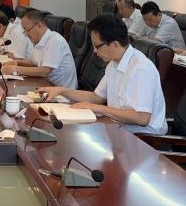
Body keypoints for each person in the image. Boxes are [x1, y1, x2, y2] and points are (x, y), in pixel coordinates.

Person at [38, 13, 167, 135]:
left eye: (97, 46)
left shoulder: (140, 68)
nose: (94, 51)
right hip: (118, 128)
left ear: (115, 44)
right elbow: (97, 97)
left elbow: (141, 118)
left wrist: (98, 108)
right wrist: (61, 90)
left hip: (143, 138)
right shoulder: (113, 63)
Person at [1, 9, 76, 87]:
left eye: (27, 30)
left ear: (39, 25)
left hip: (62, 91)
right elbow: (34, 62)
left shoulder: (55, 41)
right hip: (45, 85)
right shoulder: (39, 41)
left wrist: (15, 69)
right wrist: (17, 62)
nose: (25, 34)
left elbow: (44, 71)